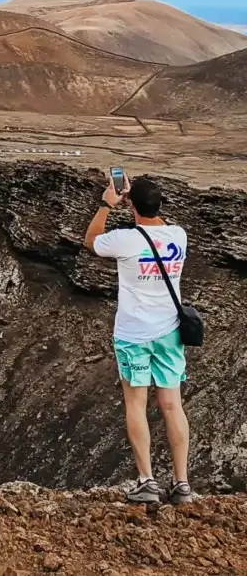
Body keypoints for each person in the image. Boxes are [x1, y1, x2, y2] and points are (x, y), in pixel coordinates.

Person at [83, 173, 192, 504]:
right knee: (172, 404)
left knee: (136, 403)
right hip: (170, 332)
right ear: (160, 204)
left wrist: (107, 202)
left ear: (130, 205)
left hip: (133, 335)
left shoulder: (125, 240)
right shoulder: (179, 236)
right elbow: (159, 224)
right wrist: (140, 201)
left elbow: (91, 240)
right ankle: (182, 483)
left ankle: (147, 481)